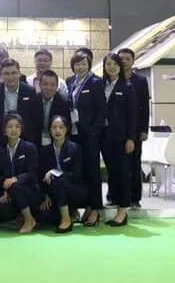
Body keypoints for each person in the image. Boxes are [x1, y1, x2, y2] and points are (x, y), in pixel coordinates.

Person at [67, 51, 106, 227]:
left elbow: (101, 109)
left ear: (89, 64)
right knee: (80, 172)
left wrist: (94, 131)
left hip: (90, 135)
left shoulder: (96, 82)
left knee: (93, 172)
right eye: (77, 64)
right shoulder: (70, 81)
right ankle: (87, 206)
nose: (80, 67)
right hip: (75, 134)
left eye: (83, 63)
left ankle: (96, 209)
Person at [100, 53, 137, 227]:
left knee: (123, 173)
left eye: (115, 64)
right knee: (113, 173)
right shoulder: (101, 85)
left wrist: (131, 138)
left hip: (122, 138)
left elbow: (132, 116)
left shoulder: (127, 87)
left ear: (120, 67)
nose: (111, 67)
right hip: (105, 137)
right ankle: (116, 206)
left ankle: (123, 211)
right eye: (108, 64)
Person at [38, 115, 86, 233]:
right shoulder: (44, 151)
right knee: (44, 216)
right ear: (49, 130)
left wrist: (55, 172)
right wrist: (45, 195)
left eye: (61, 127)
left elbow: (77, 174)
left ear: (66, 129)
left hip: (74, 190)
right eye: (54, 127)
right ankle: (68, 213)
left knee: (58, 178)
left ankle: (66, 220)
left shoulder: (75, 148)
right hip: (53, 193)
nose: (57, 130)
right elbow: (40, 176)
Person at [118, 48, 150, 209]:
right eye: (121, 59)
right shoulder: (113, 79)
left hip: (136, 130)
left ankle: (135, 198)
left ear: (133, 61)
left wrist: (144, 129)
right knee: (117, 165)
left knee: (134, 164)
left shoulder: (141, 81)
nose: (124, 61)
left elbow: (145, 107)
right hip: (117, 130)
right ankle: (114, 196)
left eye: (127, 59)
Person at [0, 114, 40, 234]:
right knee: (2, 208)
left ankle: (29, 219)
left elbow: (33, 174)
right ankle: (19, 216)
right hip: (12, 192)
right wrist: (6, 191)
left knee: (15, 186)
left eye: (17, 126)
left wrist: (16, 179)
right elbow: (3, 176)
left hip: (30, 190)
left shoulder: (29, 147)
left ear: (21, 129)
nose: (13, 129)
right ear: (4, 130)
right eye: (10, 126)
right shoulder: (1, 151)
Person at [0, 59, 40, 143]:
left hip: (23, 138)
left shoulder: (30, 91)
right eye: (6, 73)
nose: (10, 77)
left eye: (14, 73)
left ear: (19, 74)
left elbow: (34, 118)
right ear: (1, 75)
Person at [36, 70, 71, 147]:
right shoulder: (33, 100)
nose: (49, 88)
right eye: (45, 84)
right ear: (40, 85)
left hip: (56, 141)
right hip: (36, 141)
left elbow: (66, 126)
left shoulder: (63, 103)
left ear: (57, 86)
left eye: (52, 85)